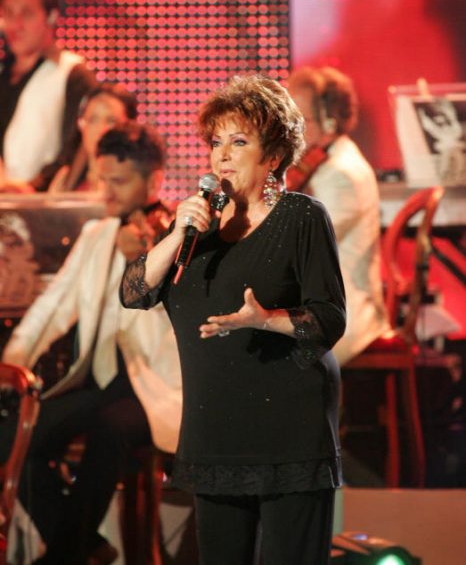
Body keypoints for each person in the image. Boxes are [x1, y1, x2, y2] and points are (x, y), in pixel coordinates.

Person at [120, 74, 346, 565]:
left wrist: (263, 319)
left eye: (239, 142)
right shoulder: (195, 227)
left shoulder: (302, 217)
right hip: (214, 428)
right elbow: (133, 293)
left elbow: (328, 320)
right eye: (216, 142)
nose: (222, 155)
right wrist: (177, 231)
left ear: (274, 156)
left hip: (289, 429)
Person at [1, 122, 182, 565]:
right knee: (16, 433)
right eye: (103, 180)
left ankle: (65, 556)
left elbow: (180, 322)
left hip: (158, 386)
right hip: (103, 379)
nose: (107, 192)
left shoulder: (179, 234)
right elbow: (53, 306)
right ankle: (88, 549)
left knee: (109, 432)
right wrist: (13, 362)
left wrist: (140, 264)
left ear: (153, 180)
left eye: (118, 181)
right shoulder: (96, 234)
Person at [287, 66, 392, 365]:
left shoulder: (342, 174)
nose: (290, 129)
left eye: (300, 120)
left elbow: (308, 248)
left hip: (343, 317)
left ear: (329, 122)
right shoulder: (325, 164)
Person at [0, 0, 96, 188]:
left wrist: (35, 187)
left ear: (51, 16)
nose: (16, 24)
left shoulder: (72, 73)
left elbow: (78, 148)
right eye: (8, 13)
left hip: (45, 201)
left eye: (27, 14)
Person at [43, 82, 139, 192]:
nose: (101, 130)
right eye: (93, 120)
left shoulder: (133, 182)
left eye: (111, 121)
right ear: (81, 125)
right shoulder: (65, 178)